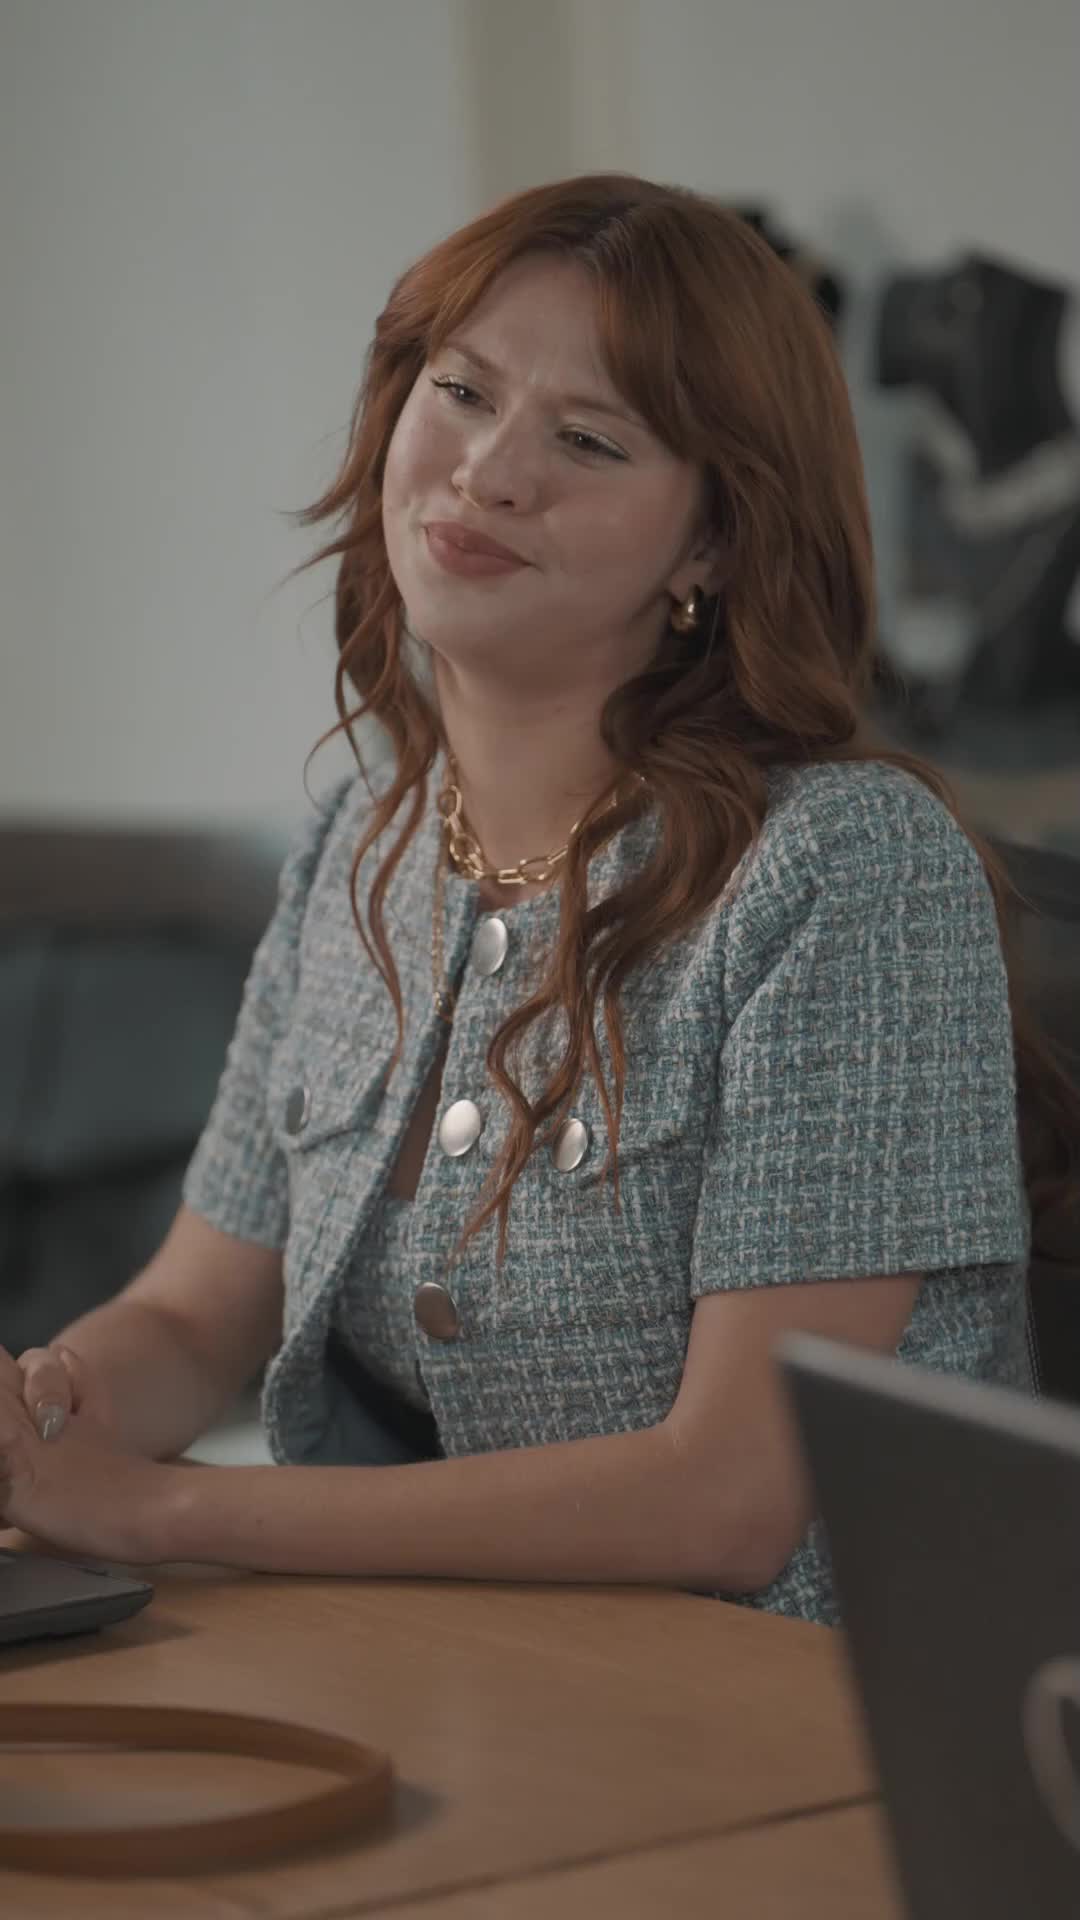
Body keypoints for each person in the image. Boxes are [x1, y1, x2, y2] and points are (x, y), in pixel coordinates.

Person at [2, 175, 1078, 1624]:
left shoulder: (851, 868)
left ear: (711, 542)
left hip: (800, 1718)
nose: (492, 473)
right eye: (462, 392)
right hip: (462, 1680)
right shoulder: (361, 851)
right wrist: (50, 1412)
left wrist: (160, 1507)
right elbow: (195, 1318)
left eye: (589, 440)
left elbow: (730, 1499)